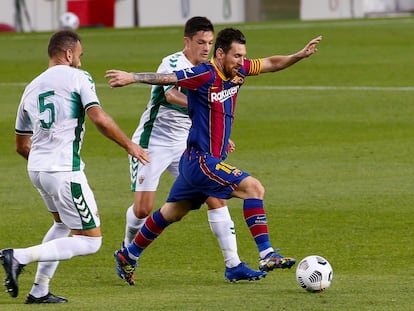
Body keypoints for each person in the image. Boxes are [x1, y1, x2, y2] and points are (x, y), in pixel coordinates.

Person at [105, 28, 322, 283]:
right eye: (236, 56)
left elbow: (271, 63)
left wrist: (299, 55)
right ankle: (267, 253)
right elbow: (168, 78)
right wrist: (133, 77)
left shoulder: (238, 70)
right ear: (221, 54)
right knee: (253, 188)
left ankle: (129, 255)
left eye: (243, 56)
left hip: (193, 161)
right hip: (201, 161)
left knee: (171, 212)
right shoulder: (203, 74)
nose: (242, 62)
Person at [0, 30, 149, 304]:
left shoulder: (31, 87)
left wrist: (46, 168)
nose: (80, 60)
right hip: (63, 171)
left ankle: (39, 290)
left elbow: (21, 145)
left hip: (37, 170)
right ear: (68, 54)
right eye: (79, 55)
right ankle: (18, 256)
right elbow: (99, 118)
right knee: (91, 241)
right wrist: (131, 146)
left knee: (61, 224)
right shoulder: (78, 77)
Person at [113, 16, 265, 285]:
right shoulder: (174, 63)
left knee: (215, 197)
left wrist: (213, 125)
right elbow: (171, 94)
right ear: (187, 42)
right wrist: (208, 110)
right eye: (200, 42)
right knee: (143, 209)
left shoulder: (212, 68)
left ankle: (234, 264)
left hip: (188, 143)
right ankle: (127, 251)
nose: (205, 47)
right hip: (154, 141)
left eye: (209, 42)